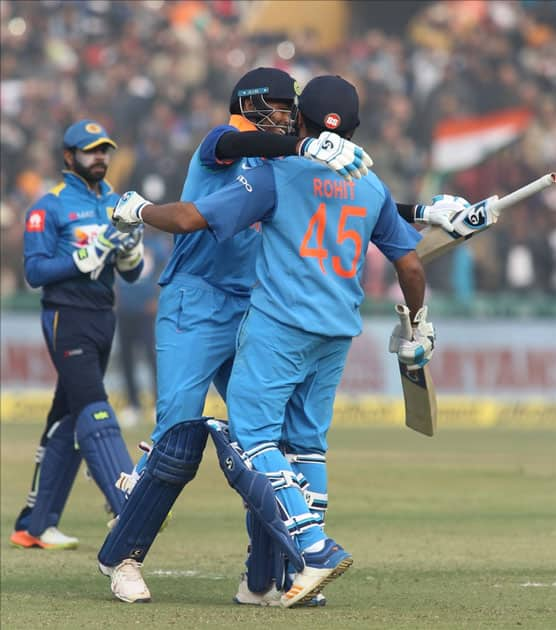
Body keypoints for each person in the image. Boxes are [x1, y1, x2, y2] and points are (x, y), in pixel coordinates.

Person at [109, 75, 439, 607]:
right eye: (281, 107)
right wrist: (305, 144)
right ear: (255, 106)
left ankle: (267, 576)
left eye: (294, 110)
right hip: (197, 301)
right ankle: (123, 558)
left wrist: (418, 212)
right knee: (177, 441)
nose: (288, 116)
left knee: (266, 441)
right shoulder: (231, 142)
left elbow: (327, 196)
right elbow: (244, 153)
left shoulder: (286, 166)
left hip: (252, 303)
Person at [10, 119, 145, 550]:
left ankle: (35, 525)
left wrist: (130, 252)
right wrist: (85, 255)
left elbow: (134, 272)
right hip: (65, 315)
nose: (100, 158)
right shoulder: (47, 206)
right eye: (91, 151)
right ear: (69, 157)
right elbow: (34, 272)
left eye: (105, 150)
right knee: (93, 404)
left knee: (67, 419)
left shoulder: (117, 203)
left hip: (104, 315)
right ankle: (128, 502)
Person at [115, 228, 170, 427]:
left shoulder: (158, 244)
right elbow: (115, 269)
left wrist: (157, 298)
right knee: (126, 358)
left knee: (152, 357)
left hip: (147, 310)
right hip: (125, 309)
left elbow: (166, 271)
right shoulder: (124, 242)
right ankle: (133, 404)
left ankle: (158, 403)